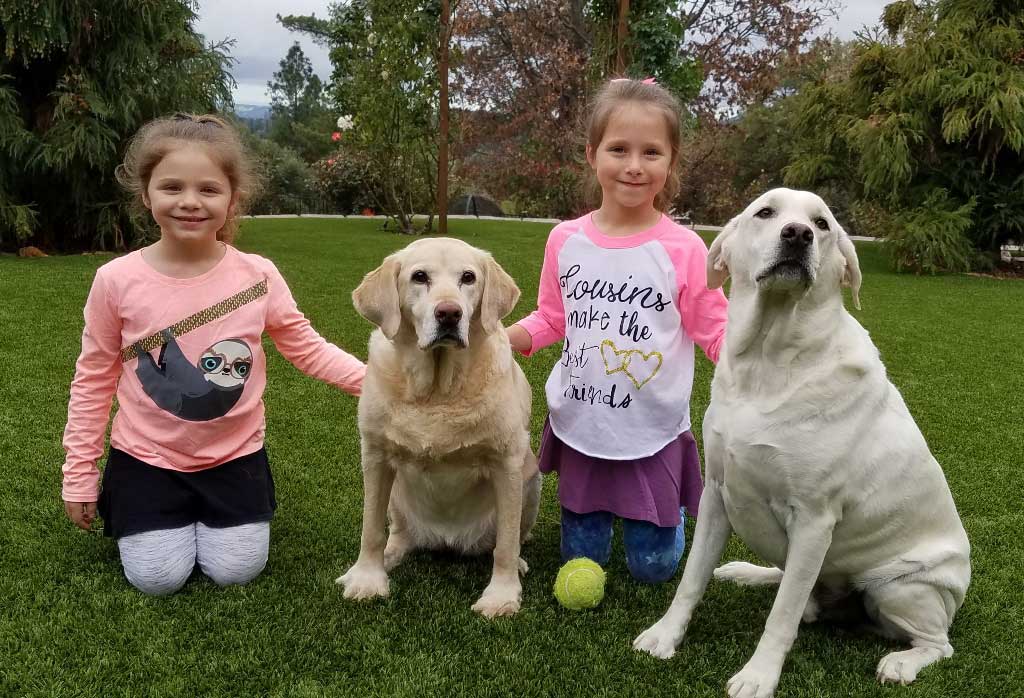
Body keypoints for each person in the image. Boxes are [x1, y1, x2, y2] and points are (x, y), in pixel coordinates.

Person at [61, 113, 365, 595]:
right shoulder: (116, 280)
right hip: (147, 458)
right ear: (146, 194)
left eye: (208, 189)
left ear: (231, 198)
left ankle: (214, 517)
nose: (189, 202)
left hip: (235, 457)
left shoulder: (257, 275)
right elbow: (93, 379)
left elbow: (308, 349)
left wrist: (383, 382)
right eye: (171, 187)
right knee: (157, 579)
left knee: (235, 571)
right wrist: (79, 475)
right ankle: (154, 512)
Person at [506, 79, 728, 585]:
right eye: (619, 149)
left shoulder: (685, 248)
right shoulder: (565, 240)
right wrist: (501, 338)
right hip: (580, 420)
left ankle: (668, 527)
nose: (634, 165)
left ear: (671, 162)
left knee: (653, 570)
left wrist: (755, 358)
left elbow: (713, 326)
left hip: (651, 428)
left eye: (652, 152)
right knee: (581, 564)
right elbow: (551, 318)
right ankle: (590, 523)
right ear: (592, 154)